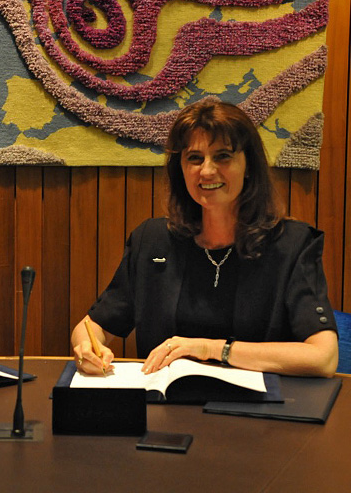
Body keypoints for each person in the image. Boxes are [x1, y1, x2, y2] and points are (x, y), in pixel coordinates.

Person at [72, 99, 338, 378]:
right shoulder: (151, 241)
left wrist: (211, 349)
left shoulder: (292, 244)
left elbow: (323, 357)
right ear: (181, 169)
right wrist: (87, 347)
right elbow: (93, 326)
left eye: (223, 156)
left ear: (248, 166)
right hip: (164, 411)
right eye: (194, 158)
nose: (207, 171)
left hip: (257, 414)